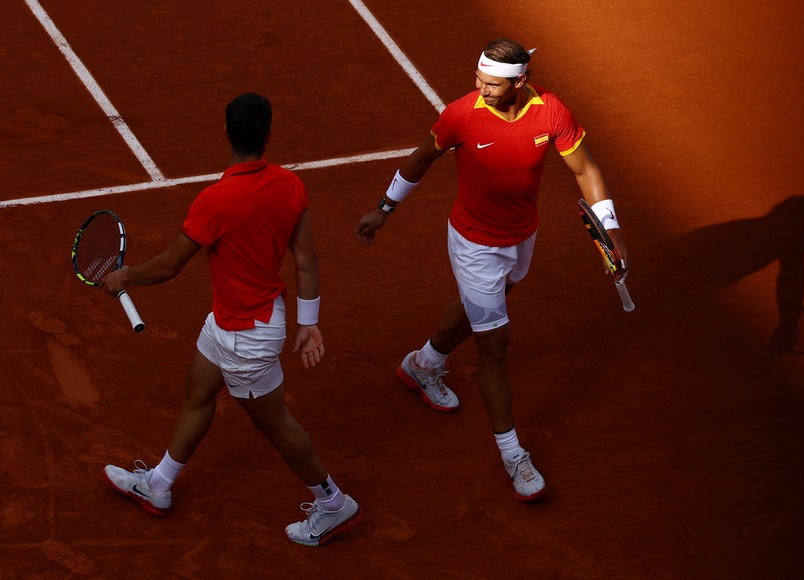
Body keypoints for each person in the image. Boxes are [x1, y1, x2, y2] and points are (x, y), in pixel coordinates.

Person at [355, 38, 628, 501]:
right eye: (478, 78)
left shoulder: (550, 111)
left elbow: (585, 170)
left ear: (520, 82)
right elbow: (420, 159)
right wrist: (384, 208)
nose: (479, 87)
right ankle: (513, 454)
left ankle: (422, 365)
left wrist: (613, 230)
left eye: (492, 83)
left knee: (485, 306)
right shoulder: (461, 114)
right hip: (474, 245)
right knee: (494, 347)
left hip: (522, 238)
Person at [99, 93, 361, 546]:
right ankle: (158, 486)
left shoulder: (215, 200)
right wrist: (308, 320)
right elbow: (306, 257)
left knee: (275, 424)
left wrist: (124, 277)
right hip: (234, 322)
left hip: (248, 337)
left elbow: (168, 267)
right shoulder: (290, 186)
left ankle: (334, 504)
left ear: (226, 134)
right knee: (198, 390)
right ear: (268, 136)